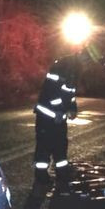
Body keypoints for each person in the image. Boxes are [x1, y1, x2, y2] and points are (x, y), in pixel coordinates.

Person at [33, 52, 83, 193]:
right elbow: (52, 97)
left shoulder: (71, 77)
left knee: (60, 147)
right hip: (46, 119)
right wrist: (60, 111)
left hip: (58, 120)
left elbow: (70, 97)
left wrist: (72, 109)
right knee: (44, 149)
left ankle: (62, 176)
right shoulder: (57, 76)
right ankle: (41, 178)